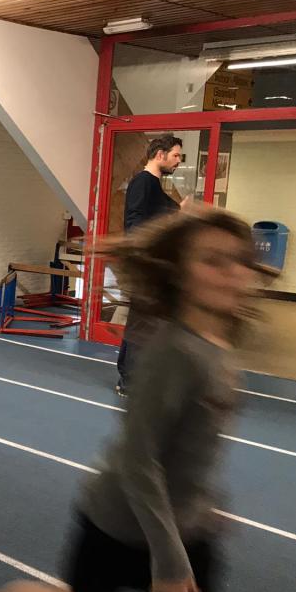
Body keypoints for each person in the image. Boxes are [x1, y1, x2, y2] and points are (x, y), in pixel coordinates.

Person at [0, 209, 257, 592]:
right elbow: (138, 459)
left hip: (186, 524)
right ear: (180, 272)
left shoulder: (217, 342)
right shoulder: (174, 353)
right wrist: (169, 559)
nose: (231, 273)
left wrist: (207, 501)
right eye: (213, 261)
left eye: (237, 261)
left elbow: (195, 444)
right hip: (124, 523)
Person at [116, 134, 185, 397]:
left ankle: (129, 375)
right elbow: (134, 223)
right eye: (176, 155)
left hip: (150, 265)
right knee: (142, 323)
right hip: (143, 266)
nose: (178, 161)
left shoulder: (154, 186)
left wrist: (180, 210)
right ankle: (130, 381)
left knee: (141, 322)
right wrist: (142, 256)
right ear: (160, 155)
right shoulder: (142, 182)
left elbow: (164, 209)